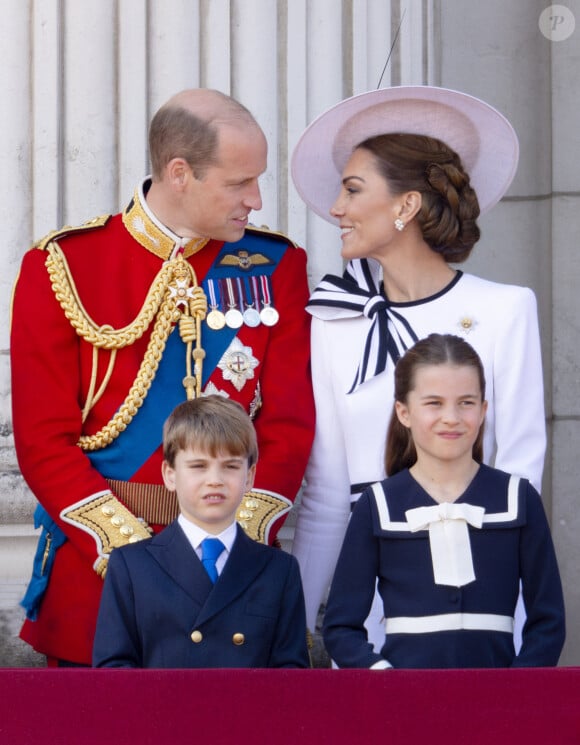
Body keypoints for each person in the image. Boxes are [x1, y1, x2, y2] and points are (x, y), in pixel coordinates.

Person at [11, 88, 315, 666]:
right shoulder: (64, 265)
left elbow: (290, 425)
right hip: (101, 577)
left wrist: (234, 543)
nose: (255, 199)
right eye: (238, 183)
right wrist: (136, 560)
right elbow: (42, 442)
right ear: (180, 173)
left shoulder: (277, 266)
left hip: (233, 575)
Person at [290, 86, 546, 651]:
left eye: (353, 190)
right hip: (369, 604)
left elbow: (521, 474)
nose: (337, 208)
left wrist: (520, 624)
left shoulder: (506, 309)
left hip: (477, 598)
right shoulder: (334, 319)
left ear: (405, 205)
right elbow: (328, 493)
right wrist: (293, 629)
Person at [322, 333, 565, 669]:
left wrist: (515, 689)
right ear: (403, 412)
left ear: (483, 411)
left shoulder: (519, 499)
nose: (451, 417)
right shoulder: (376, 505)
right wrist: (385, 679)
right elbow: (340, 627)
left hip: (498, 708)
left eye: (466, 402)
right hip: (405, 706)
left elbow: (549, 622)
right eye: (434, 403)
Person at [93, 396, 309, 668]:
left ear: (250, 476)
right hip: (160, 710)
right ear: (169, 474)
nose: (215, 480)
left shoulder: (279, 570)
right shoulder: (131, 566)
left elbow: (291, 678)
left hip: (248, 711)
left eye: (230, 466)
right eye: (198, 466)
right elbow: (114, 672)